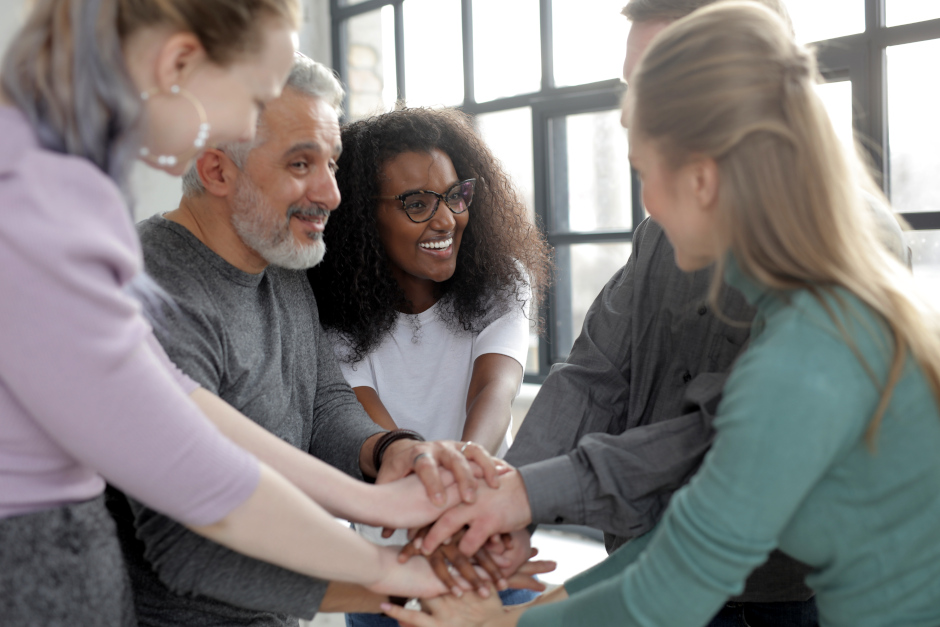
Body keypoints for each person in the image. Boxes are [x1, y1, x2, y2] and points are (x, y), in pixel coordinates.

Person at [383, 3, 940, 626]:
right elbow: (684, 541)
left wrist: (504, 616)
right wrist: (516, 519)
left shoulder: (810, 339)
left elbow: (689, 558)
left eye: (645, 167)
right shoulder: (743, 278)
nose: (644, 197)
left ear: (702, 172)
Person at [0, 1, 476, 623]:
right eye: (254, 97)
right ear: (178, 64)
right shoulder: (42, 198)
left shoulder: (60, 181)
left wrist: (384, 483)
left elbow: (183, 409)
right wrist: (390, 573)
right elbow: (194, 472)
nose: (239, 125)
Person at [111, 59, 542, 626]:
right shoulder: (152, 294)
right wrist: (410, 579)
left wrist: (389, 451)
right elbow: (187, 550)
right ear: (216, 170)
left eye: (332, 164)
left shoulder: (282, 266)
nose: (333, 194)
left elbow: (323, 405)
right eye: (300, 163)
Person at [306, 106, 553, 627]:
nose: (446, 220)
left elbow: (494, 391)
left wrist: (458, 500)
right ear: (362, 217)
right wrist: (439, 518)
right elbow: (370, 427)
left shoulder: (502, 280)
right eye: (417, 203)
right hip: (385, 563)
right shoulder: (330, 312)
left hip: (484, 544)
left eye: (455, 195)